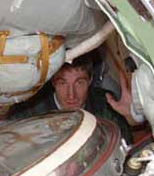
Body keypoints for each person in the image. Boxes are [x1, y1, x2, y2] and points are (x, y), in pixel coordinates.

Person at [9, 52, 142, 142]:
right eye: (62, 83)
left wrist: (133, 121)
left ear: (90, 81)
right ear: (53, 82)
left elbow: (125, 145)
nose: (71, 94)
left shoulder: (105, 103)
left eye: (79, 83)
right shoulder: (29, 112)